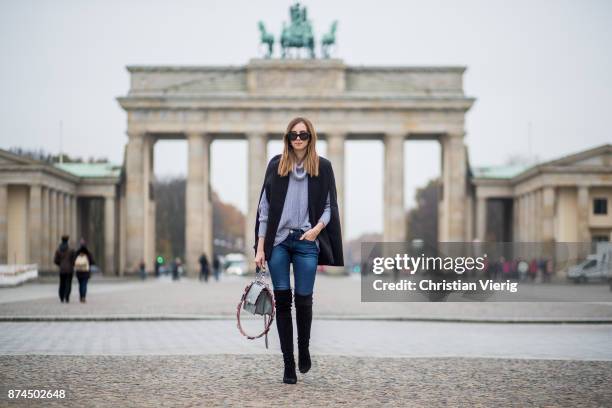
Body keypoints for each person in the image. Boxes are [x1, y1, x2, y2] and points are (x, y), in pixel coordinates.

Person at [253, 117, 344, 384]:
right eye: (293, 135)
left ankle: (303, 348)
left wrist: (316, 230)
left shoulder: (323, 167)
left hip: (306, 241)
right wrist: (260, 247)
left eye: (303, 135)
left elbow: (330, 206)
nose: (298, 139)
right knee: (282, 302)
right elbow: (264, 209)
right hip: (279, 242)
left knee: (304, 301)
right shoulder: (276, 164)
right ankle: (288, 363)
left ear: (311, 137)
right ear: (287, 138)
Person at [54, 235, 75, 303]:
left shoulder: (58, 250)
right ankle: (67, 296)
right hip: (69, 270)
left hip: (62, 269)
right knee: (68, 283)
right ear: (67, 240)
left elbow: (56, 260)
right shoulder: (71, 250)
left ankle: (61, 296)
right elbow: (73, 260)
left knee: (62, 283)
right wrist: (72, 265)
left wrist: (60, 264)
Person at [73, 238, 95, 303]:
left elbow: (74, 261)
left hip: (79, 271)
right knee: (84, 284)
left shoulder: (77, 252)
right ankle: (83, 297)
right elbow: (92, 262)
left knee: (80, 285)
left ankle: (81, 296)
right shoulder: (88, 253)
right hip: (85, 271)